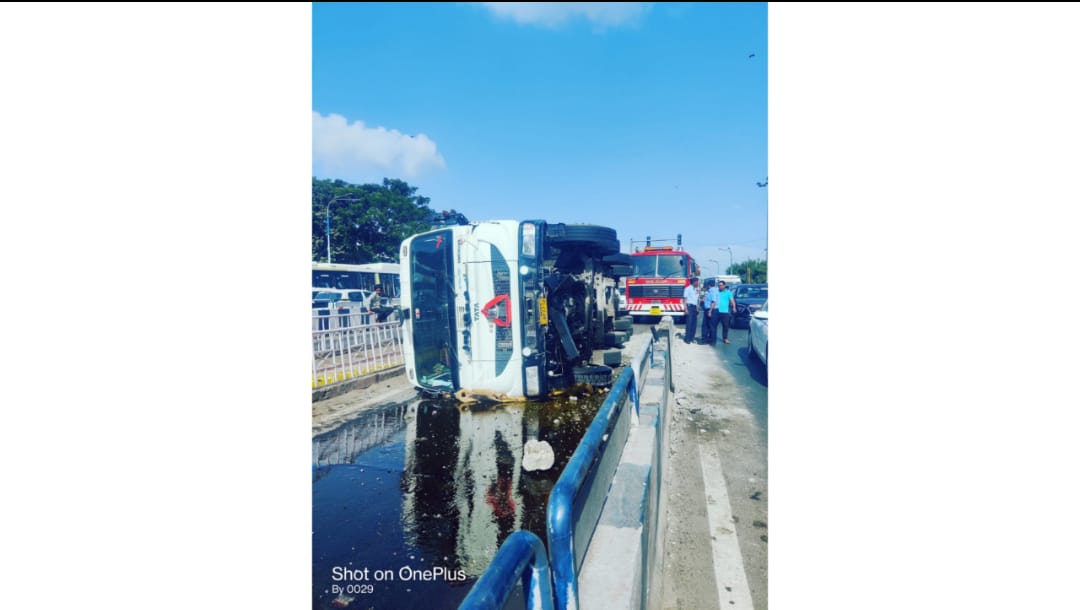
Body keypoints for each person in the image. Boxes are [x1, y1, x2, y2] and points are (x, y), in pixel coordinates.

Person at [714, 280, 737, 344]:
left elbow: (732, 300)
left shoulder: (728, 292)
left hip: (725, 312)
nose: (720, 287)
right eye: (719, 285)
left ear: (724, 285)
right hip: (716, 311)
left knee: (725, 326)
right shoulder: (717, 292)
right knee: (714, 325)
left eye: (721, 285)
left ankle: (725, 338)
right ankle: (712, 337)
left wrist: (734, 307)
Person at [682, 276, 700, 345]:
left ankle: (692, 338)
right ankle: (687, 339)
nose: (698, 283)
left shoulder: (697, 289)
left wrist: (697, 310)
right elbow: (685, 300)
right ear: (694, 282)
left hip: (695, 308)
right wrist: (685, 309)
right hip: (689, 307)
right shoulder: (687, 289)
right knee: (689, 323)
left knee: (694, 324)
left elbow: (697, 299)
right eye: (697, 282)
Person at [701, 278, 718, 345]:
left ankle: (709, 341)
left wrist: (710, 311)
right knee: (707, 325)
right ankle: (708, 340)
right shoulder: (709, 291)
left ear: (708, 285)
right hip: (708, 310)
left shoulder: (713, 291)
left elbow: (713, 302)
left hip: (711, 310)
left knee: (710, 326)